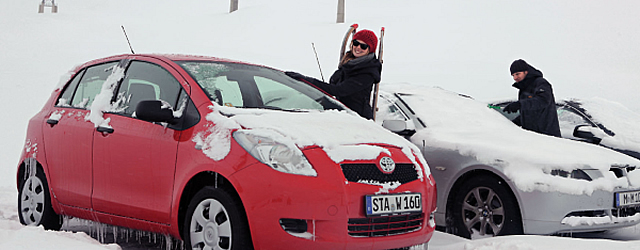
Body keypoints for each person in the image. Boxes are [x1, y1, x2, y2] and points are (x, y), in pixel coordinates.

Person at [286, 29, 382, 120]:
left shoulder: (368, 72)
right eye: (356, 43)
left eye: (363, 46)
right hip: (341, 114)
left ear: (370, 49)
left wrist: (306, 80)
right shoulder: (348, 63)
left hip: (358, 119)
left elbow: (338, 90)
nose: (358, 48)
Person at [504, 59, 561, 137]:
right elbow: (530, 114)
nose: (515, 78)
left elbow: (543, 101)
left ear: (526, 72)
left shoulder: (541, 83)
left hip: (547, 136)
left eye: (517, 74)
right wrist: (509, 124)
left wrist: (520, 104)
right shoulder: (523, 89)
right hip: (531, 136)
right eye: (513, 75)